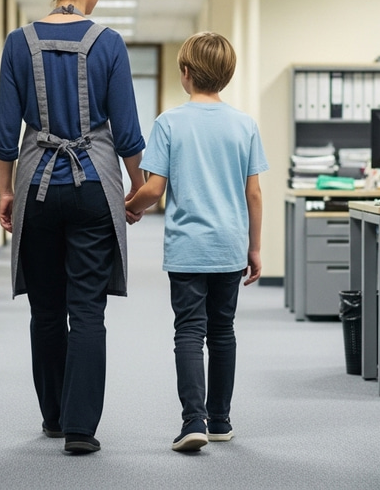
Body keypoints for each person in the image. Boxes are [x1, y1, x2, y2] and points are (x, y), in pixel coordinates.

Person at [0, 0, 146, 455]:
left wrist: (4, 192)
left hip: (35, 185)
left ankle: (53, 417)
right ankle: (81, 430)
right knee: (88, 311)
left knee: (45, 310)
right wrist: (139, 189)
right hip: (92, 190)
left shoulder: (18, 42)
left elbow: (5, 131)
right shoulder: (108, 42)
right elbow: (126, 132)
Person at [125, 32, 268, 452]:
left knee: (189, 331)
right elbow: (253, 194)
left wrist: (127, 205)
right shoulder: (245, 125)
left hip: (188, 247)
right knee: (223, 331)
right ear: (227, 75)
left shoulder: (169, 122)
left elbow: (154, 190)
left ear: (185, 74)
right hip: (228, 246)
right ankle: (221, 420)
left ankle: (194, 421)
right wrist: (254, 248)